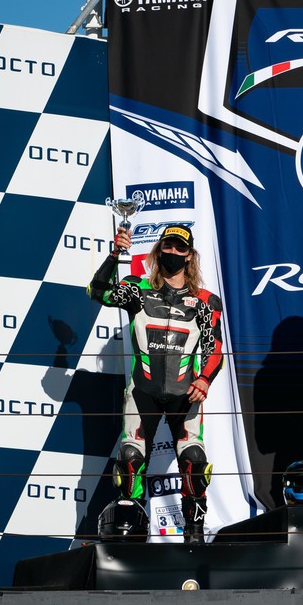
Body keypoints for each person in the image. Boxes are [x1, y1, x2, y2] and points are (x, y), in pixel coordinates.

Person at [87, 224, 224, 543]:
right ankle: (130, 535)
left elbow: (214, 347)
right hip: (142, 393)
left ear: (189, 255)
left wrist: (204, 379)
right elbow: (97, 291)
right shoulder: (137, 289)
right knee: (130, 460)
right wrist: (115, 254)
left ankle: (194, 536)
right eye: (168, 246)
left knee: (194, 463)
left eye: (180, 248)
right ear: (158, 250)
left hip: (185, 394)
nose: (173, 252)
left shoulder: (205, 300)